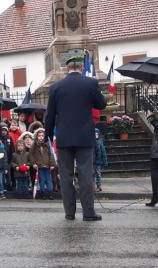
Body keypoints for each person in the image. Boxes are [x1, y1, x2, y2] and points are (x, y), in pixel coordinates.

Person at [45, 55, 107, 221]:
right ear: (81, 68)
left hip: (64, 138)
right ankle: (88, 213)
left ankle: (69, 213)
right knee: (85, 174)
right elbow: (101, 104)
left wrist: (47, 135)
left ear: (67, 69)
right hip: (84, 137)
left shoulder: (56, 87)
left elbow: (49, 114)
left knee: (65, 176)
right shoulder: (90, 83)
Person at [30, 128, 56, 200]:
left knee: (49, 180)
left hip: (47, 166)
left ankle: (50, 193)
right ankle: (43, 194)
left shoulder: (47, 144)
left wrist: (52, 164)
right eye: (39, 136)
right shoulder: (34, 145)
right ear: (37, 137)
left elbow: (51, 154)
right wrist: (33, 163)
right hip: (40, 166)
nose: (41, 137)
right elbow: (31, 155)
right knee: (42, 180)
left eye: (42, 136)